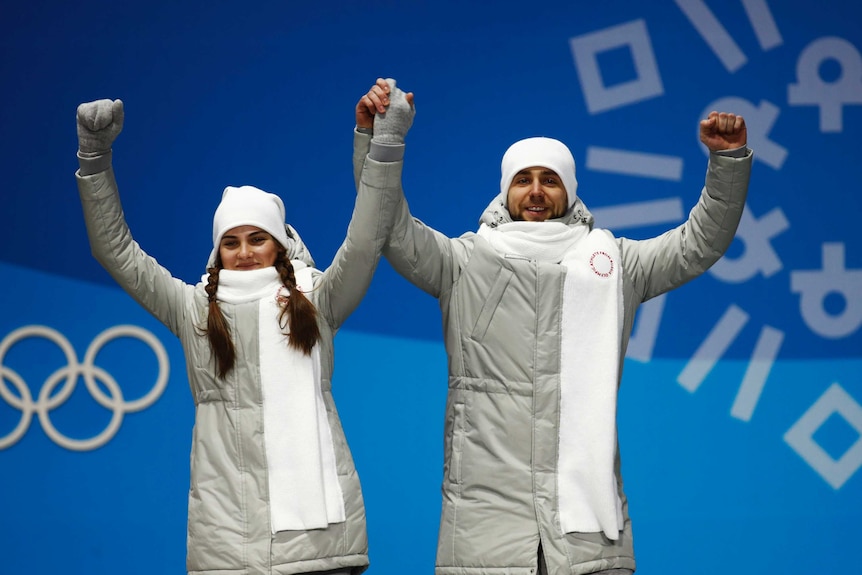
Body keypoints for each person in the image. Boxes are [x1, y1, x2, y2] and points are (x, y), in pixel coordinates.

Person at [360, 82, 751, 575]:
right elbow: (386, 224)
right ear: (506, 190)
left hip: (583, 537)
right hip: (486, 531)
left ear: (569, 191)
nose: (537, 191)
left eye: (551, 179)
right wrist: (381, 137)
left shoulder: (614, 265)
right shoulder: (463, 262)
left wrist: (727, 163)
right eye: (524, 179)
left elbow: (700, 242)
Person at [74, 79, 414, 575]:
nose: (245, 250)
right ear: (217, 252)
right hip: (227, 544)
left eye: (258, 238)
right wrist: (94, 159)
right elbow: (116, 250)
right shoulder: (192, 309)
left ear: (279, 244)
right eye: (231, 241)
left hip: (316, 542)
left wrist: (383, 145)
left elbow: (365, 241)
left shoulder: (316, 299)